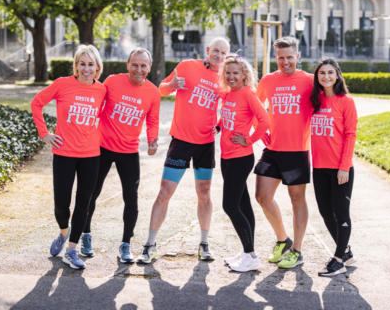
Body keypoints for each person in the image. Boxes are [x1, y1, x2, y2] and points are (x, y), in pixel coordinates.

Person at [136, 37, 230, 263]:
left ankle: (204, 244)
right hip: (180, 142)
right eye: (215, 51)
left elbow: (230, 106)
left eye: (223, 53)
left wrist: (218, 124)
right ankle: (150, 244)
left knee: (204, 193)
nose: (218, 56)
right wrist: (171, 86)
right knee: (164, 192)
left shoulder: (225, 77)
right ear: (208, 50)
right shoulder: (187, 66)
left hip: (206, 144)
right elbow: (161, 89)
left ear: (227, 56)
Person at [81, 48, 160, 263]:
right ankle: (85, 235)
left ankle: (126, 244)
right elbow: (94, 103)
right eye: (135, 64)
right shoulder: (112, 82)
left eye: (143, 65)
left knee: (131, 198)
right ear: (128, 64)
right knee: (91, 193)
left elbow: (152, 121)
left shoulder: (153, 92)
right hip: (102, 147)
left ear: (149, 68)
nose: (139, 69)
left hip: (129, 151)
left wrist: (153, 140)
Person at [31, 45, 106, 270]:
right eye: (82, 64)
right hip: (64, 153)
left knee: (84, 203)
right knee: (61, 204)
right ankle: (64, 232)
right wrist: (44, 134)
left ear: (97, 67)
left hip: (91, 155)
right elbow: (36, 103)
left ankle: (72, 251)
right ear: (76, 66)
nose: (86, 68)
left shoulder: (102, 90)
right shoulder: (62, 84)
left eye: (90, 64)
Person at [254, 37, 314, 269]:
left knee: (297, 199)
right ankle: (283, 239)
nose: (285, 62)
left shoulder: (309, 80)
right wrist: (259, 133)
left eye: (290, 57)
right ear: (275, 58)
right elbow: (253, 107)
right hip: (272, 149)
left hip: (297, 150)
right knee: (262, 196)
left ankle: (297, 250)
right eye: (280, 58)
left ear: (297, 57)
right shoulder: (268, 80)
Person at [212, 55, 270, 272]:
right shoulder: (227, 94)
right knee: (244, 205)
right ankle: (247, 252)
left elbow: (265, 120)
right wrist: (218, 127)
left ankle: (252, 256)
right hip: (226, 157)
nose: (231, 76)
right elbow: (227, 118)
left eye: (236, 73)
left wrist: (250, 139)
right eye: (228, 73)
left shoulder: (247, 93)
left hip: (240, 157)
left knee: (230, 206)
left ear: (244, 75)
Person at [310, 57, 358, 277]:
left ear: (337, 75)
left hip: (340, 168)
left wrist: (345, 166)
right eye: (322, 73)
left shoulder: (345, 101)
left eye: (330, 72)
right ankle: (346, 251)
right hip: (319, 167)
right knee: (324, 212)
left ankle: (338, 259)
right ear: (317, 77)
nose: (326, 76)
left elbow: (350, 135)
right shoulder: (314, 101)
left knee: (341, 214)